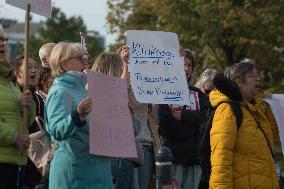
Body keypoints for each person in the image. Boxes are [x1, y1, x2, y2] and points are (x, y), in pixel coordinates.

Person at [45, 42, 113, 189]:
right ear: (65, 64)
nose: (86, 61)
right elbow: (56, 130)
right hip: (75, 171)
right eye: (81, 58)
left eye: (85, 57)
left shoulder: (83, 89)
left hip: (95, 167)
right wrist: (77, 115)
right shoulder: (60, 92)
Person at [209, 62, 279, 189]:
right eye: (252, 76)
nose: (258, 78)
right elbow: (221, 159)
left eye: (258, 75)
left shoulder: (255, 110)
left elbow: (271, 139)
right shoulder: (228, 109)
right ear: (239, 81)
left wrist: (266, 106)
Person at [158, 49, 210, 189]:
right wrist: (194, 127)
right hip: (172, 159)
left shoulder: (198, 94)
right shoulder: (165, 92)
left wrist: (183, 116)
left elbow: (207, 119)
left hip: (194, 160)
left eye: (190, 65)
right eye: (183, 64)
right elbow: (165, 125)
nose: (186, 68)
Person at [0, 25, 35, 189]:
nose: (2, 44)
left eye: (3, 40)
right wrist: (13, 137)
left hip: (16, 162)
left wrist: (27, 106)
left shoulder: (8, 81)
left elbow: (26, 122)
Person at [12, 55, 45, 189]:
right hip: (15, 160)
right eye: (28, 67)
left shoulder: (38, 98)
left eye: (35, 67)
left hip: (34, 163)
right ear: (17, 73)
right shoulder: (12, 94)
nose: (33, 71)